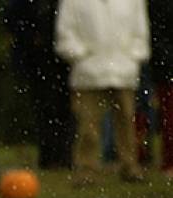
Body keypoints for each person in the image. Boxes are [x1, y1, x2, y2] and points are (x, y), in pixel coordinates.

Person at [55, 0, 150, 184]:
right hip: (89, 71)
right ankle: (86, 169)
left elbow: (140, 32)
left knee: (126, 122)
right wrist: (81, 54)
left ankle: (130, 166)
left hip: (123, 70)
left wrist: (133, 56)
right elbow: (65, 32)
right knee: (87, 125)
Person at [4, 0, 73, 171]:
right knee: (45, 107)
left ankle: (64, 155)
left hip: (62, 56)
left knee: (63, 108)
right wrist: (31, 37)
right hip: (36, 58)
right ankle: (50, 156)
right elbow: (12, 20)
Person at [149, 0, 173, 175]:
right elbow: (156, 34)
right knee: (169, 118)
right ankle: (169, 162)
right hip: (167, 69)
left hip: (165, 66)